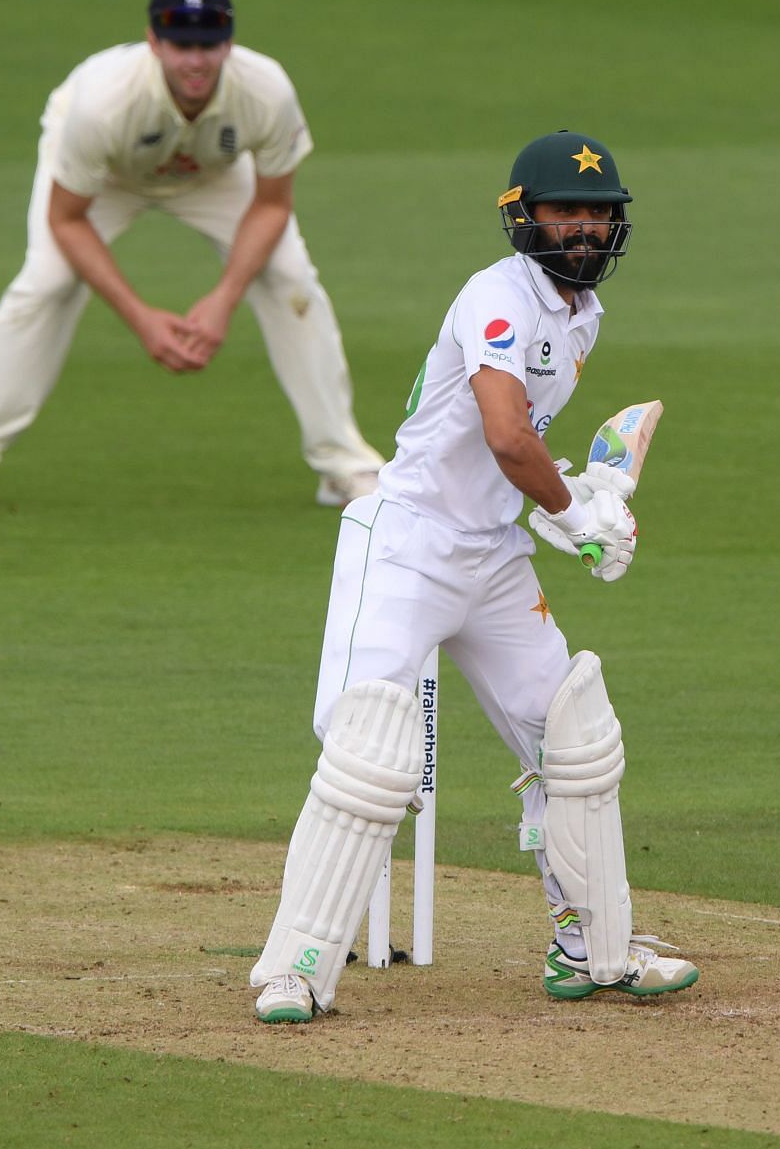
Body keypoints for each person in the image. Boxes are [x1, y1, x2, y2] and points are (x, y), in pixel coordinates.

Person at [248, 131, 700, 1024]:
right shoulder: (497, 295)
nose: (582, 228)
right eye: (564, 211)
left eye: (597, 213)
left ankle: (591, 950)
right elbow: (501, 432)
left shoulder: (582, 314)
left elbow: (517, 444)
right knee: (367, 747)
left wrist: (576, 490)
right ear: (522, 217)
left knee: (573, 737)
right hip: (408, 543)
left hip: (492, 556)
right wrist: (575, 515)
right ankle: (292, 967)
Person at [0, 0, 385, 512]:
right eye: (181, 45)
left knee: (289, 278)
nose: (196, 60)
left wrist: (223, 298)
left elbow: (272, 205)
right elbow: (68, 219)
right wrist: (141, 318)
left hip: (211, 174)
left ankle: (342, 466)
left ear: (228, 44)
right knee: (47, 282)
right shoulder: (101, 104)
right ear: (154, 42)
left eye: (209, 45)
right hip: (106, 176)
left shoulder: (267, 89)